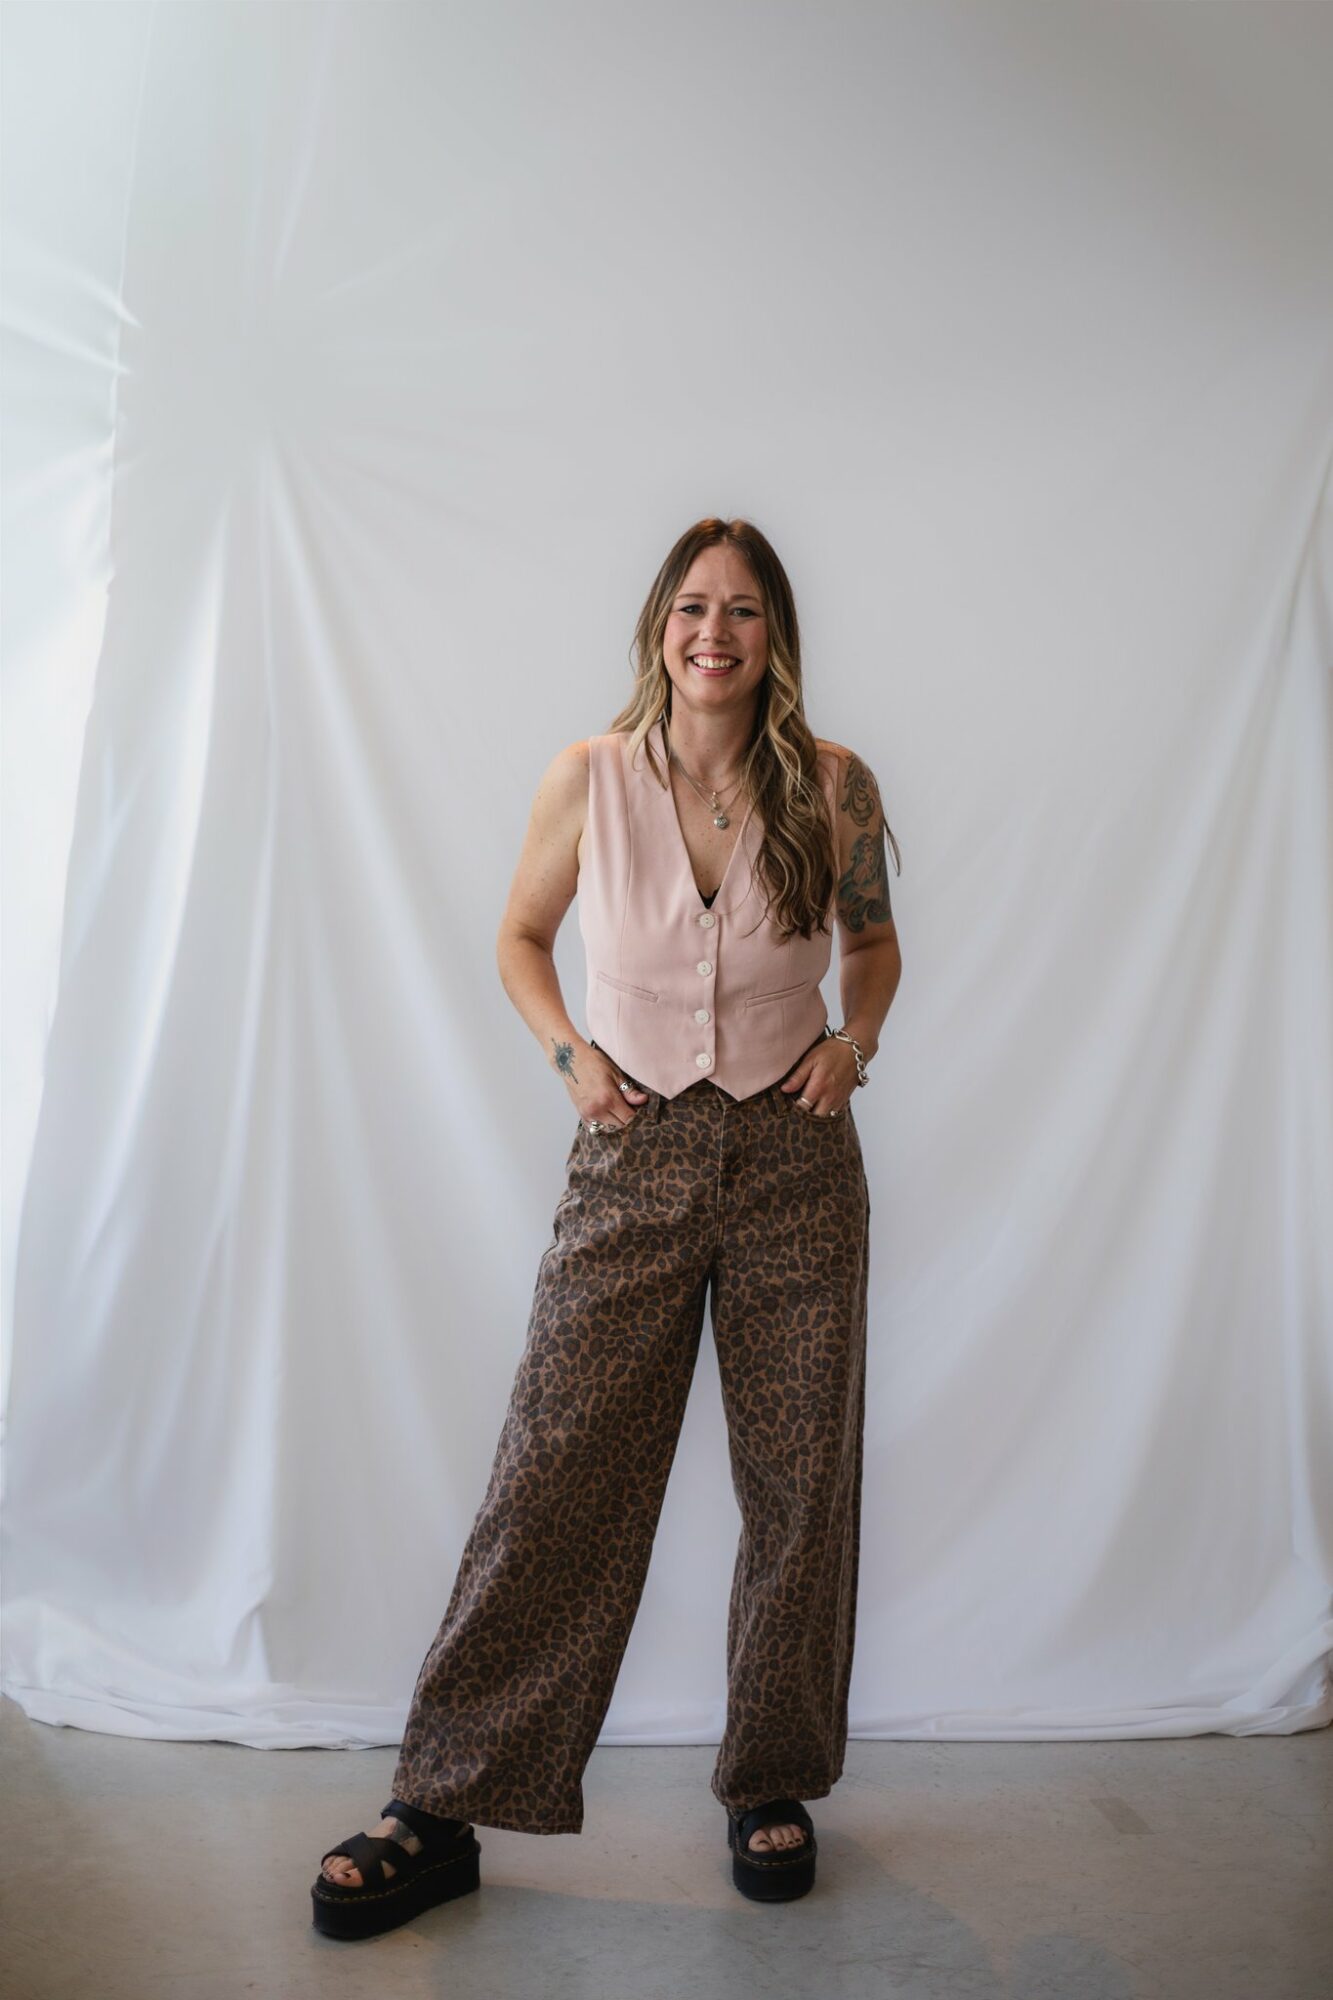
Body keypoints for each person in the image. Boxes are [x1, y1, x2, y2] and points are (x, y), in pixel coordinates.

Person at [311, 516, 902, 1939]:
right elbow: (518, 935)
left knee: (798, 1481)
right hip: (631, 1157)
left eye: (743, 611)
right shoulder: (587, 779)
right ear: (658, 627)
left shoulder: (835, 786)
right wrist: (570, 1055)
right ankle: (438, 1804)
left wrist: (854, 1041)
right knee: (554, 1473)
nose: (715, 633)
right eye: (692, 607)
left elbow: (872, 942)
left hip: (794, 1160)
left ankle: (770, 1779)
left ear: (776, 638)